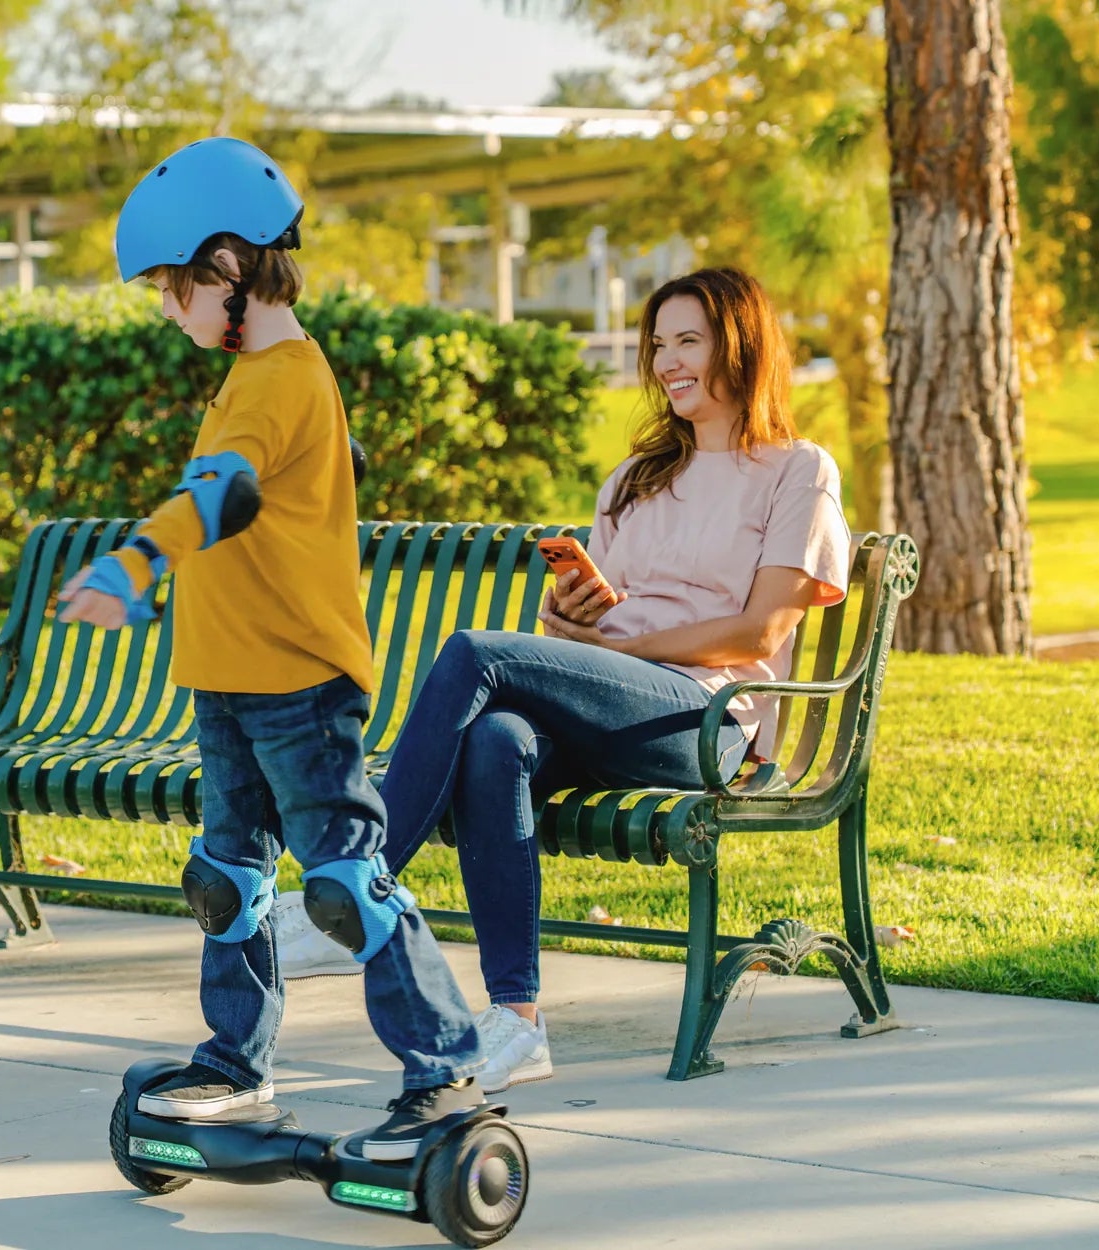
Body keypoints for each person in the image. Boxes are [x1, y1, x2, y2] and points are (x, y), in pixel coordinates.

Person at [277, 267, 852, 1093]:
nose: (667, 362)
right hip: (618, 704)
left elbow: (761, 629)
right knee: (495, 742)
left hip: (709, 720)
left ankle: (357, 882)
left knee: (478, 652)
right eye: (659, 345)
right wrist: (574, 625)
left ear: (742, 345)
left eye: (688, 341)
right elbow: (584, 634)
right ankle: (517, 1022)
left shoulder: (799, 470)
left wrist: (626, 645)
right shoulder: (632, 481)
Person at [58, 137, 488, 1162]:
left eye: (175, 290)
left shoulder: (278, 380)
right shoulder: (254, 371)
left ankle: (444, 1065)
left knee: (343, 882)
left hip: (298, 684)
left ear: (229, 270)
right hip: (227, 680)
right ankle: (233, 1061)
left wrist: (133, 565)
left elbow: (225, 492)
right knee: (226, 880)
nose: (172, 311)